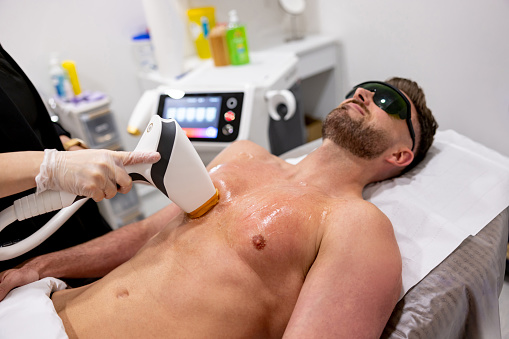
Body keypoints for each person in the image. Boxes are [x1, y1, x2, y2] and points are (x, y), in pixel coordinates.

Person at [2, 77, 438, 337]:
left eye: (388, 102)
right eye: (365, 88)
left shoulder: (359, 226)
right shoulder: (243, 154)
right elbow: (147, 231)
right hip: (37, 308)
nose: (365, 93)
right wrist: (40, 268)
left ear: (401, 154)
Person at [0, 43, 159, 273]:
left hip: (75, 222)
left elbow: (27, 120)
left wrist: (69, 145)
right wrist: (53, 167)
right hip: (20, 244)